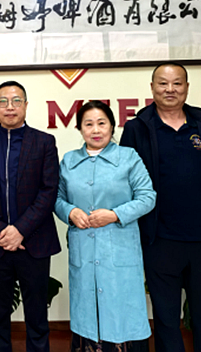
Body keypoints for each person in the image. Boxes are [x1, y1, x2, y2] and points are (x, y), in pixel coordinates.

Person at [120, 63, 201, 352]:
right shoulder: (137, 128)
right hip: (159, 239)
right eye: (163, 83)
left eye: (177, 83)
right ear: (152, 88)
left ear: (187, 87)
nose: (170, 89)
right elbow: (124, 184)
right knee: (166, 319)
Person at [55, 101, 155, 352]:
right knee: (87, 312)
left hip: (120, 248)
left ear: (112, 125)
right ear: (80, 128)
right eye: (88, 124)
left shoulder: (128, 157)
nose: (96, 130)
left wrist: (115, 215)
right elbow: (56, 198)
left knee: (122, 313)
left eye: (102, 123)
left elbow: (147, 197)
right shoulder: (69, 161)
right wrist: (70, 212)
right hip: (83, 248)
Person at [0, 80, 61, 352]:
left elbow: (49, 190)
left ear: (26, 105)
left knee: (37, 315)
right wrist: (0, 231)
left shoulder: (44, 142)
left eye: (16, 100)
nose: (10, 107)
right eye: (3, 101)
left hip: (34, 242)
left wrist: (20, 230)